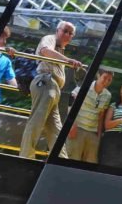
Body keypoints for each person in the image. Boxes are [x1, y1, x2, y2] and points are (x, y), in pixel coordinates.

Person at [19, 21, 82, 159]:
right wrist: (68, 60)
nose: (67, 35)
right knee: (36, 122)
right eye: (65, 31)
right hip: (46, 83)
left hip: (53, 89)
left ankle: (61, 160)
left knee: (56, 129)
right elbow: (45, 51)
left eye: (71, 33)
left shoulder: (60, 50)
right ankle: (25, 158)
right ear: (57, 30)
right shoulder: (50, 38)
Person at [65, 69, 114, 163]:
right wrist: (72, 126)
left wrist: (99, 136)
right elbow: (71, 105)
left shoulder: (107, 95)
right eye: (105, 78)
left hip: (93, 133)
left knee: (90, 164)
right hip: (77, 129)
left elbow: (101, 115)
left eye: (109, 80)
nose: (107, 81)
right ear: (99, 76)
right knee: (72, 161)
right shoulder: (85, 86)